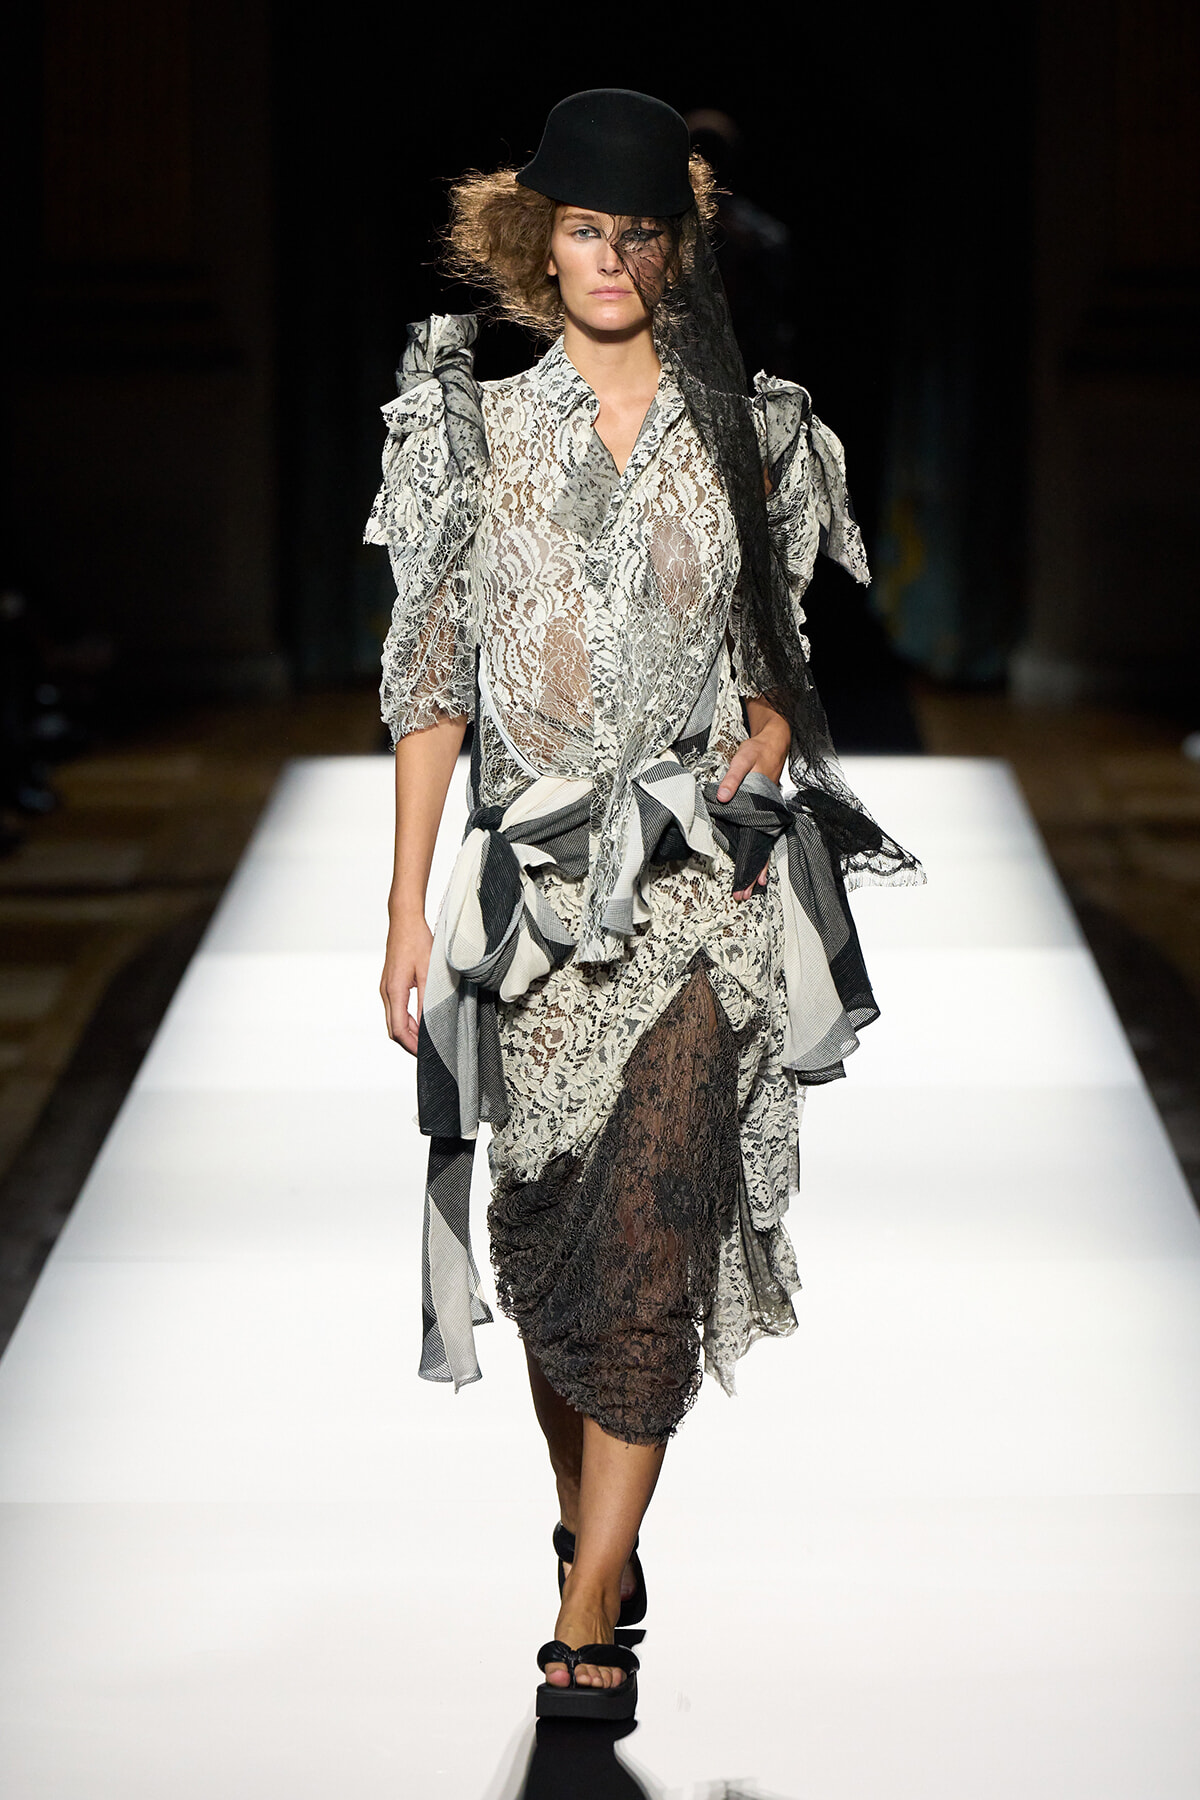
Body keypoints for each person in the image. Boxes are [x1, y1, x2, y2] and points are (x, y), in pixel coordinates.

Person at [366, 89, 921, 1721]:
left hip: (696, 896)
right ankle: (586, 1537)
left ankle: (589, 1611)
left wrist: (761, 733)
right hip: (534, 903)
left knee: (658, 1232)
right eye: (586, 230)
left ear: (678, 252)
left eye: (640, 232)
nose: (611, 259)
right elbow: (428, 688)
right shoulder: (470, 435)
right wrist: (405, 911)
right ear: (543, 242)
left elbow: (780, 676)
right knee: (553, 1245)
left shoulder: (751, 433)